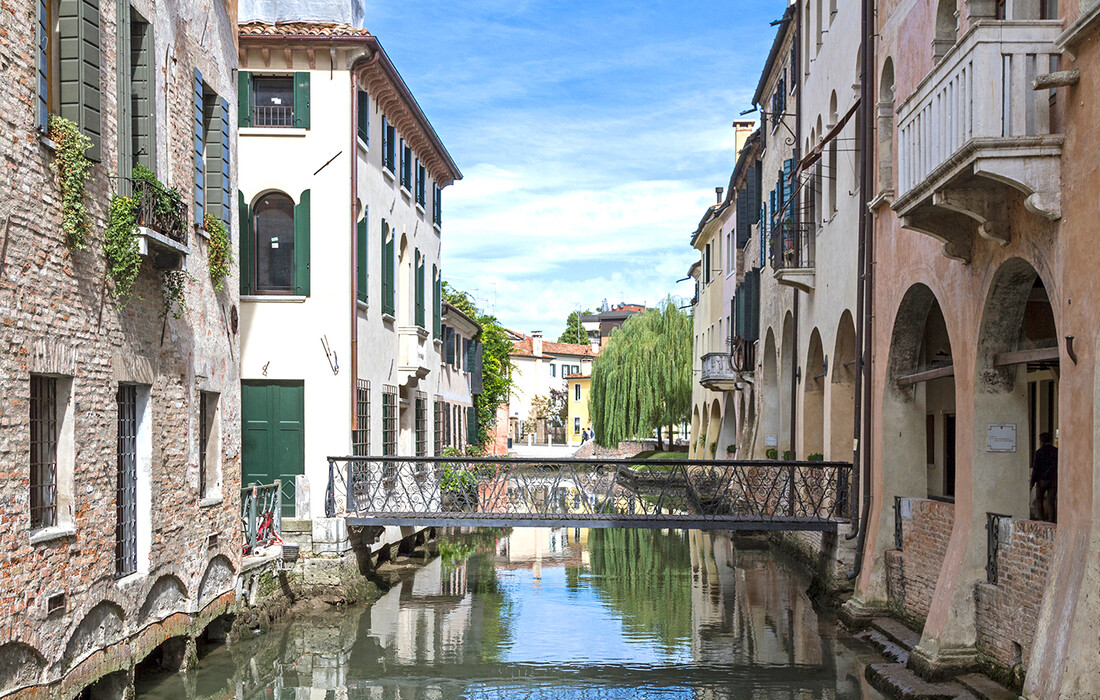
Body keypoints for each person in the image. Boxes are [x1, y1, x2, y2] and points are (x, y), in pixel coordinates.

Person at [1030, 432, 1057, 522]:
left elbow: (1035, 469)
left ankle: (1041, 519)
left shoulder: (1039, 452)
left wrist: (1032, 483)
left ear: (1041, 441)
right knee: (1051, 501)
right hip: (1053, 479)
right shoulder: (1056, 451)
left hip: (1041, 479)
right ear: (1050, 440)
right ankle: (1051, 520)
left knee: (1039, 499)